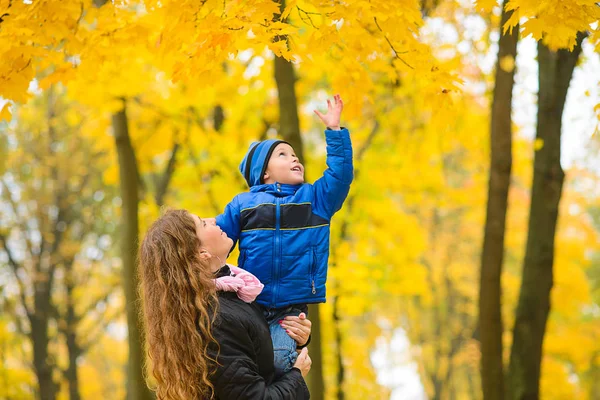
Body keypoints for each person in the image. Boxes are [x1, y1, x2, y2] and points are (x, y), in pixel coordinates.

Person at [215, 94, 353, 375]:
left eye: (295, 155)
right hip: (248, 302)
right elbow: (217, 243)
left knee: (279, 361)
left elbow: (340, 176)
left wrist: (335, 132)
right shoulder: (243, 204)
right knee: (241, 363)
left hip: (290, 310)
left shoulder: (315, 200)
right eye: (283, 155)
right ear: (263, 172)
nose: (295, 158)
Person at [139, 209, 312, 400]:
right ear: (202, 253)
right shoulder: (217, 319)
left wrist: (293, 338)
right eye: (203, 223)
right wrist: (297, 375)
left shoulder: (232, 298)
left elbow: (257, 362)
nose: (213, 219)